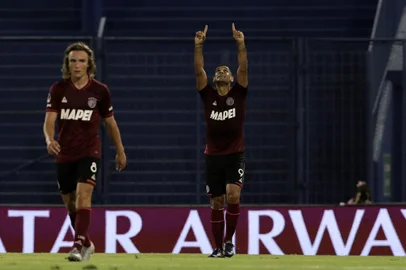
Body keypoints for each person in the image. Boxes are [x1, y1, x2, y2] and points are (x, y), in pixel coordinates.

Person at [43, 42, 127, 262]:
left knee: (83, 196)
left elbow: (110, 124)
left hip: (89, 152)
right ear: (67, 64)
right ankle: (87, 242)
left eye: (81, 61)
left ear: (89, 64)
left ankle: (77, 247)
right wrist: (50, 139)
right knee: (70, 203)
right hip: (64, 153)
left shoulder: (100, 91)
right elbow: (49, 121)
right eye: (72, 61)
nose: (77, 65)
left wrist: (120, 151)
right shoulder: (58, 89)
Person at [194, 23, 248, 258]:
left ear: (232, 77)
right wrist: (198, 47)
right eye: (218, 71)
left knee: (233, 195)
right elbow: (198, 71)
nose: (222, 72)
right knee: (217, 202)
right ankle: (217, 248)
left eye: (226, 70)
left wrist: (241, 44)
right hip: (212, 156)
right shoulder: (208, 95)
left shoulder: (239, 93)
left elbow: (244, 68)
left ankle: (228, 242)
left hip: (235, 154)